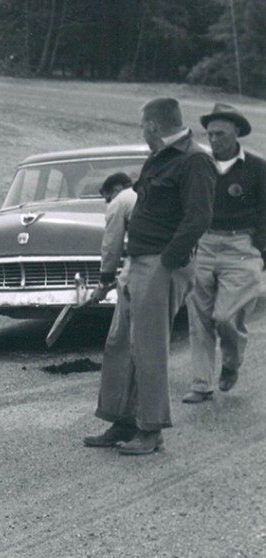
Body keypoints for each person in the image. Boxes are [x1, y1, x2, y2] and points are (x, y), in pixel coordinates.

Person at [83, 97, 215, 455]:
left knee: (149, 349)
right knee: (119, 345)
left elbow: (198, 217)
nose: (142, 133)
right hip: (139, 261)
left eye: (143, 126)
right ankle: (122, 420)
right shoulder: (161, 158)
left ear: (153, 126)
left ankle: (151, 428)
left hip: (160, 264)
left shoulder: (194, 159)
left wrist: (168, 261)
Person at [182, 104, 266, 403]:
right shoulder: (198, 164)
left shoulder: (257, 168)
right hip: (203, 245)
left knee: (226, 317)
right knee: (200, 319)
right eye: (210, 133)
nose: (214, 139)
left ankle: (231, 363)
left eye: (221, 134)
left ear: (237, 133)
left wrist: (260, 250)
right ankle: (201, 384)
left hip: (241, 249)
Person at [89, 172, 138, 303]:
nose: (108, 203)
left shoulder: (119, 201)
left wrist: (104, 282)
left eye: (108, 198)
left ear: (117, 189)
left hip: (147, 261)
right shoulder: (140, 194)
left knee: (126, 302)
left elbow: (111, 244)